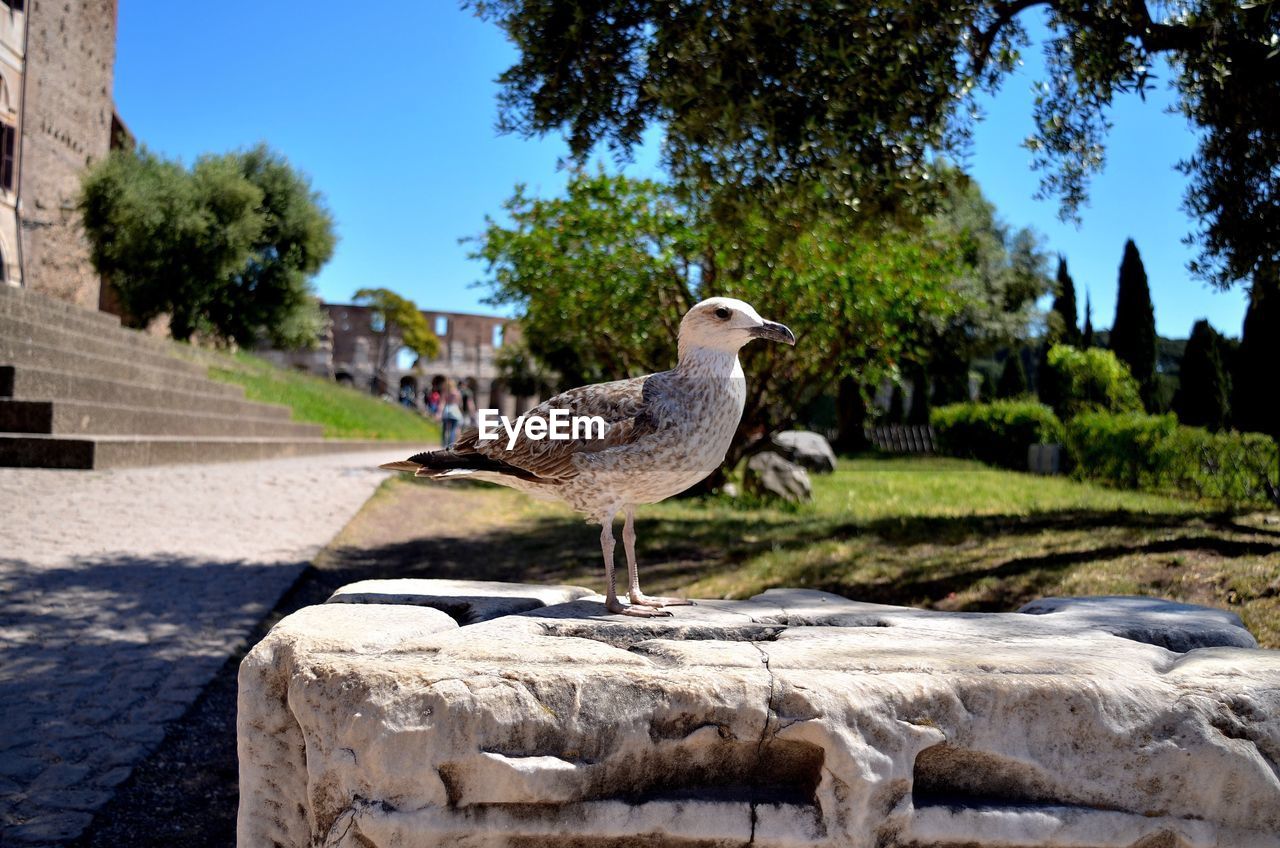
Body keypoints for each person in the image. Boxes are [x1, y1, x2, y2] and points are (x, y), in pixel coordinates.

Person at [437, 378, 463, 447]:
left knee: (445, 429)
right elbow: (460, 403)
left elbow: (442, 403)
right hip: (455, 411)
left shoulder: (445, 392)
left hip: (447, 411)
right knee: (453, 430)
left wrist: (439, 413)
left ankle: (444, 444)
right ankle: (450, 446)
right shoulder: (457, 392)